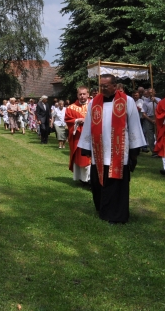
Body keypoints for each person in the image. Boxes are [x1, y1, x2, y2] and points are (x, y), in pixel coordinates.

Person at [78, 74, 146, 223]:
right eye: (101, 85)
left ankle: (117, 214)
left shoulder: (127, 101)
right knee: (99, 183)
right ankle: (103, 210)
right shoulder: (94, 102)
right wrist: (86, 146)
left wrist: (135, 149)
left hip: (120, 152)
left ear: (115, 86)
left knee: (117, 186)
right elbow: (88, 125)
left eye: (106, 85)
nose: (102, 88)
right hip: (99, 151)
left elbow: (134, 125)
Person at [65, 86, 91, 183]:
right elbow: (67, 120)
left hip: (93, 137)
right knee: (82, 158)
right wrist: (77, 120)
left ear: (88, 94)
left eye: (84, 94)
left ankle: (91, 179)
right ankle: (83, 179)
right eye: (80, 94)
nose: (82, 96)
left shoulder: (94, 105)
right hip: (79, 137)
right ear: (77, 95)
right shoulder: (71, 108)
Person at [141, 89, 158, 157]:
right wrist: (151, 120)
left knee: (159, 136)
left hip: (158, 118)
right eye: (149, 93)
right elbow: (144, 114)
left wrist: (156, 101)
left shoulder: (159, 100)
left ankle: (160, 150)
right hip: (149, 119)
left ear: (155, 92)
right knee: (150, 137)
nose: (151, 94)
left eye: (152, 92)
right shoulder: (145, 102)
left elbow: (163, 107)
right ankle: (154, 152)